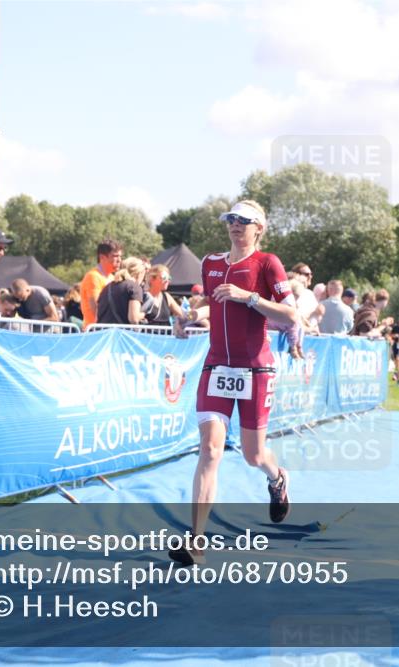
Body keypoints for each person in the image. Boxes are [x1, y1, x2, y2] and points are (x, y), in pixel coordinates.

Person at [169, 200, 299, 566]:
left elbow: (291, 315)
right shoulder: (211, 263)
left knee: (253, 454)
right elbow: (215, 302)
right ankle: (196, 541)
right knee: (210, 450)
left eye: (244, 221)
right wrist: (191, 317)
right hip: (216, 367)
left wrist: (250, 297)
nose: (235, 225)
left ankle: (277, 478)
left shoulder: (267, 263)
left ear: (260, 227)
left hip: (255, 369)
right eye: (231, 219)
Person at [80, 239, 123, 330]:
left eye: (120, 256)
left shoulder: (112, 277)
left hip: (107, 330)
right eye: (115, 256)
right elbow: (96, 308)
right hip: (95, 330)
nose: (119, 260)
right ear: (102, 257)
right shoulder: (93, 276)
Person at [96, 257, 149, 325]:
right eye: (144, 276)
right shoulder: (134, 287)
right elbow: (133, 319)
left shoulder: (107, 287)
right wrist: (144, 314)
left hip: (104, 333)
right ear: (139, 273)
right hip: (121, 333)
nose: (144, 280)